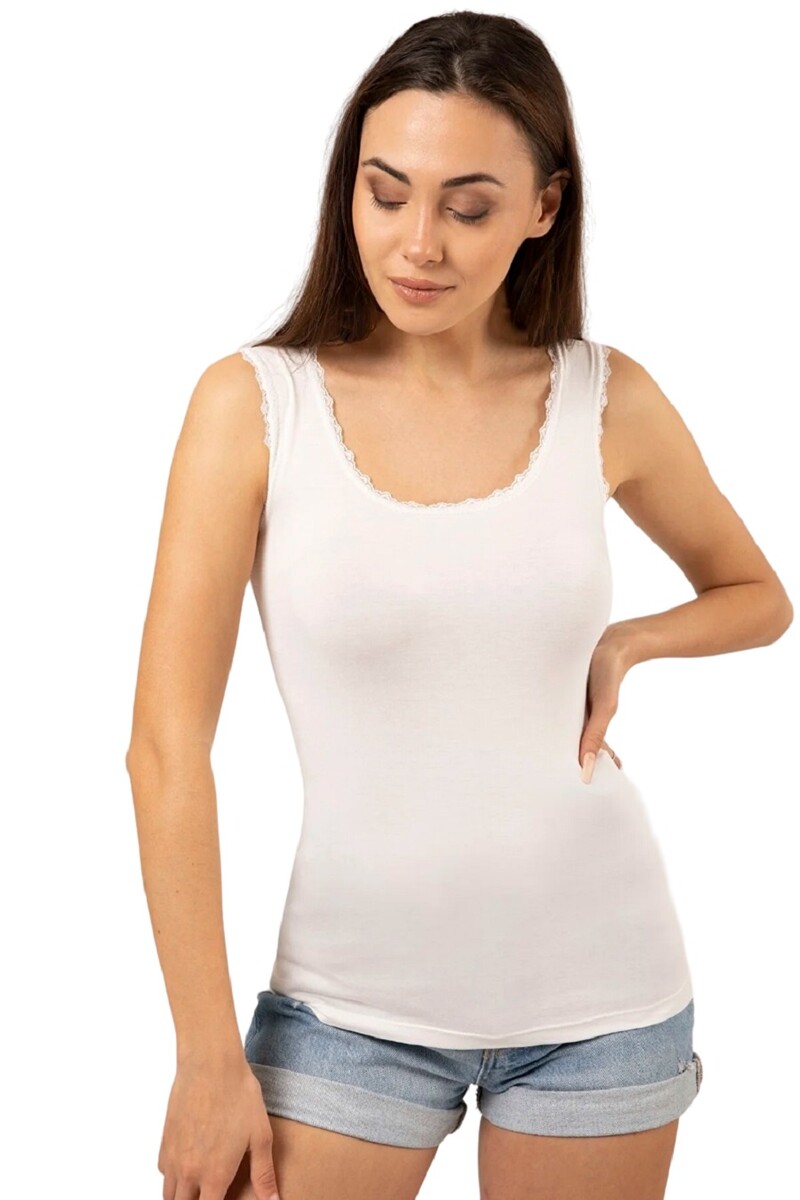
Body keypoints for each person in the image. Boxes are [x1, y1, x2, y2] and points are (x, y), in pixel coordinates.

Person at [125, 12, 793, 1200]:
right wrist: (204, 1057)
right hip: (346, 1012)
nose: (417, 243)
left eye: (467, 207)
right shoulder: (254, 406)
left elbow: (757, 596)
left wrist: (629, 641)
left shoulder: (604, 397)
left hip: (603, 998)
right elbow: (166, 751)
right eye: (385, 194)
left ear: (542, 207)